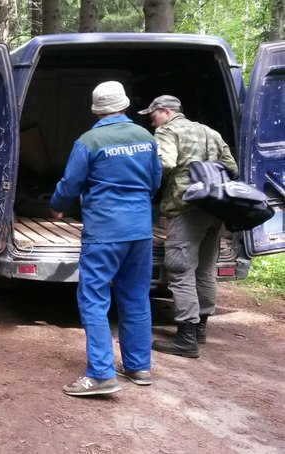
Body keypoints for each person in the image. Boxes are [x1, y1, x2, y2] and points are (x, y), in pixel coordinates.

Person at [50, 81, 161, 396]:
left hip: (104, 232)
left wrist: (57, 207)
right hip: (140, 231)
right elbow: (155, 180)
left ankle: (100, 374)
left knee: (94, 299)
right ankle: (138, 367)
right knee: (136, 297)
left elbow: (71, 184)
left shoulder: (89, 141)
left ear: (97, 110)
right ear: (125, 105)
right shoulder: (146, 137)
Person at [138, 95, 238, 358]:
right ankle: (201, 329)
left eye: (153, 115)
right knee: (205, 270)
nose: (152, 121)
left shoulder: (167, 130)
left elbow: (165, 163)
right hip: (215, 208)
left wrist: (145, 184)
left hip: (186, 208)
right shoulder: (209, 131)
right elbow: (232, 168)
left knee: (180, 271)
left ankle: (185, 338)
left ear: (167, 112)